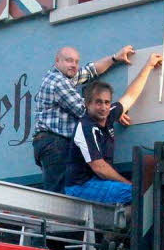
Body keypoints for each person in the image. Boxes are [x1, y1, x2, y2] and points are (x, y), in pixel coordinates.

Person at [33, 45, 136, 193]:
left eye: (76, 61)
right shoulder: (57, 82)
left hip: (54, 144)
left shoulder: (65, 77)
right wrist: (111, 112)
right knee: (59, 197)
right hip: (55, 143)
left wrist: (115, 58)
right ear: (57, 61)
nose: (74, 65)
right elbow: (84, 110)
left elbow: (89, 71)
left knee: (65, 193)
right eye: (69, 61)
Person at [64, 54, 163, 205]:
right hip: (80, 187)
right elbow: (99, 167)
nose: (103, 107)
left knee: (139, 192)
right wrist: (129, 184)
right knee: (134, 192)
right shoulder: (85, 127)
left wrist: (148, 65)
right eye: (98, 102)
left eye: (106, 102)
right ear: (87, 104)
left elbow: (130, 96)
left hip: (100, 182)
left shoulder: (109, 114)